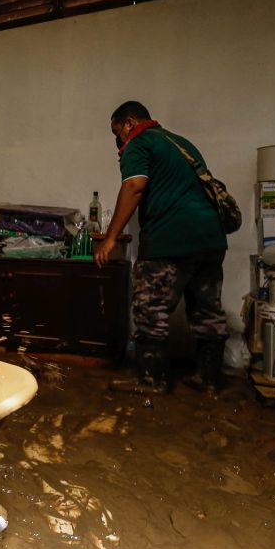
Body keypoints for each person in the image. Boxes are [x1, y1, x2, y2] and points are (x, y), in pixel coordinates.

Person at [94, 101, 228, 393]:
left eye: (118, 133)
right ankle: (209, 379)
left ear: (129, 123)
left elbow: (134, 187)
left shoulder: (139, 143)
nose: (119, 141)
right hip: (211, 240)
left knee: (149, 307)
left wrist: (110, 238)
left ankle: (151, 379)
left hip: (170, 239)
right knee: (207, 310)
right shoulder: (181, 144)